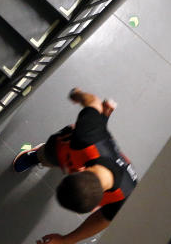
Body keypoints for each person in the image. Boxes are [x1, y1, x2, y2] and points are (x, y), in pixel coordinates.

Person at [13, 87, 138, 244]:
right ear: (77, 171)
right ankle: (38, 155)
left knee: (93, 130)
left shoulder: (126, 195)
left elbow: (104, 218)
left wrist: (67, 241)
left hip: (96, 149)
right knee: (51, 154)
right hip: (72, 143)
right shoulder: (86, 136)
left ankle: (104, 118)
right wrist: (76, 94)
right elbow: (93, 102)